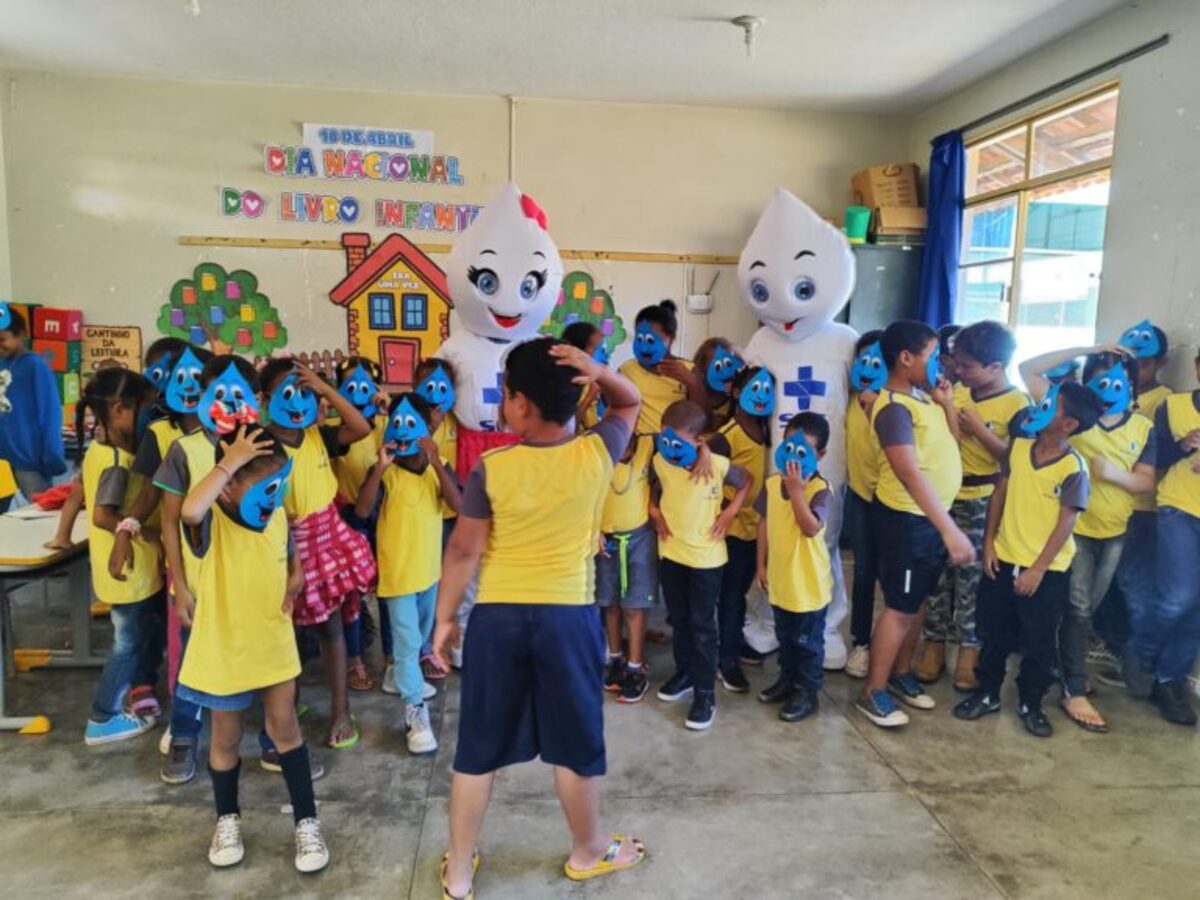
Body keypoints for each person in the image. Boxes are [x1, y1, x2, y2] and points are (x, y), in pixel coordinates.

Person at [432, 338, 645, 899]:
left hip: (497, 620)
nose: (504, 405)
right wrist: (599, 371)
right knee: (576, 745)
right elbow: (629, 404)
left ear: (522, 404)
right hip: (569, 620)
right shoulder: (596, 452)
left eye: (506, 395)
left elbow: (462, 552)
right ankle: (589, 851)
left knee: (477, 749)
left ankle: (458, 872)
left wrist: (444, 620)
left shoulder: (492, 466)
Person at [177, 425, 328, 873]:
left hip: (271, 638)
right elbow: (189, 508)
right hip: (224, 645)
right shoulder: (213, 520)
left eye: (277, 487)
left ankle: (307, 821)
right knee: (225, 738)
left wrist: (297, 570)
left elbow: (285, 539)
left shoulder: (275, 514)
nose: (273, 498)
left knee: (285, 730)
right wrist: (229, 463)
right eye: (262, 487)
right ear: (227, 490)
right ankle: (227, 818)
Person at [954, 382, 1102, 738]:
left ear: (1068, 424)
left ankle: (1030, 702)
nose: (1042, 405)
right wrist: (989, 543)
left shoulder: (1073, 468)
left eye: (1054, 405)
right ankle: (987, 691)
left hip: (1046, 572)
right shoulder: (1018, 448)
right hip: (1002, 560)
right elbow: (999, 495)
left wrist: (1037, 569)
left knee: (1038, 642)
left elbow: (1066, 524)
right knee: (995, 633)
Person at [1022, 346, 1155, 731]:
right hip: (1072, 531)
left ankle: (1063, 665)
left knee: (1085, 610)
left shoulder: (1142, 427)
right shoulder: (1074, 416)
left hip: (1113, 532)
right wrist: (1088, 349)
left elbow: (1146, 481)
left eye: (1119, 381)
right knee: (1078, 606)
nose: (1110, 388)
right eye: (1101, 380)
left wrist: (1114, 474)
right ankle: (1073, 686)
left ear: (1132, 386)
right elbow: (1028, 367)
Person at [856, 320, 972, 729]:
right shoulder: (893, 409)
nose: (940, 363)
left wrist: (945, 405)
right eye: (932, 355)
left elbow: (952, 450)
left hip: (928, 518)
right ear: (906, 359)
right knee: (900, 608)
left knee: (917, 600)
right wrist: (949, 528)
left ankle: (900, 673)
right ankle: (873, 690)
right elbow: (908, 471)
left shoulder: (923, 400)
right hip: (908, 519)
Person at [260, 358, 375, 750]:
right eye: (290, 394)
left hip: (329, 542)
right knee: (283, 633)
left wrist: (327, 390)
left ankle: (340, 710)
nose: (300, 402)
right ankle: (283, 706)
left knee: (332, 628)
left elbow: (360, 428)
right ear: (265, 400)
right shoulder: (260, 445)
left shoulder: (316, 436)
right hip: (283, 547)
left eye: (307, 393)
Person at [915, 321, 1025, 691]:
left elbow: (1014, 461)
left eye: (967, 366)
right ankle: (933, 643)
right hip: (945, 497)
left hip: (983, 500)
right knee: (938, 576)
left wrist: (981, 430)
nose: (958, 371)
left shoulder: (1017, 404)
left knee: (971, 580)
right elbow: (946, 441)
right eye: (957, 363)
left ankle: (969, 650)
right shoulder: (957, 391)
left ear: (995, 367)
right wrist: (947, 406)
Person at [355, 393, 461, 754]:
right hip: (397, 577)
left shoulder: (438, 465)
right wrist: (381, 468)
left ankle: (402, 677)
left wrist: (434, 461)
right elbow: (363, 509)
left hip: (429, 573)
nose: (402, 431)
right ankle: (415, 712)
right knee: (405, 643)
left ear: (429, 426)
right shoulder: (386, 472)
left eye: (411, 423)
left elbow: (458, 505)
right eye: (396, 424)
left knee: (418, 640)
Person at [650, 399, 751, 730]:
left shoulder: (717, 465)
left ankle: (705, 693)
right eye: (665, 439)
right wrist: (654, 511)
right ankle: (686, 674)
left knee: (703, 625)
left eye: (678, 442)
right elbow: (651, 485)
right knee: (679, 619)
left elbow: (747, 480)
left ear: (698, 440)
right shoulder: (660, 462)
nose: (669, 447)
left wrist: (730, 510)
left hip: (707, 560)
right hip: (671, 553)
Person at [77, 368, 164, 745]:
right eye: (143, 409)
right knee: (126, 645)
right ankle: (102, 716)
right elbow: (102, 514)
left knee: (135, 638)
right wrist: (146, 531)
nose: (148, 417)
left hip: (128, 572)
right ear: (119, 409)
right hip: (128, 571)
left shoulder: (108, 449)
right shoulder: (116, 461)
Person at [1125, 351, 1200, 725]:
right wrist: (1184, 445)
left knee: (1196, 609)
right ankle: (1141, 654)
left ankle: (1169, 681)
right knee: (1176, 598)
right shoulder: (1174, 405)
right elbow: (1154, 458)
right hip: (1179, 509)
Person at [755, 412, 833, 722]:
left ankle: (807, 691)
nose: (792, 459)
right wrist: (760, 563)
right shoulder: (772, 484)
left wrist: (798, 491)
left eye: (802, 453)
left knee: (807, 644)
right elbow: (764, 522)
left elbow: (810, 528)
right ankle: (787, 681)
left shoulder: (820, 490)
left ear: (821, 455)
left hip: (808, 588)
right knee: (785, 639)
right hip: (781, 580)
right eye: (787, 448)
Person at [707, 365, 769, 694]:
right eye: (754, 389)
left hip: (753, 531)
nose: (761, 396)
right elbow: (706, 482)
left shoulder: (767, 430)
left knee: (740, 593)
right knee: (729, 597)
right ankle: (726, 659)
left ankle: (733, 641)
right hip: (730, 532)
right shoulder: (725, 437)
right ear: (735, 392)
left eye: (767, 390)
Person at [331, 356, 390, 692]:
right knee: (350, 594)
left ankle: (393, 656)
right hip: (347, 519)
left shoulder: (384, 424)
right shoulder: (337, 430)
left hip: (385, 517)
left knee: (388, 587)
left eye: (365, 384)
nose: (358, 390)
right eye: (350, 384)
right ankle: (353, 659)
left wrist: (389, 407)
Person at [596, 432, 656, 704]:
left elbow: (690, 439)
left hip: (639, 540)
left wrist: (702, 453)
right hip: (606, 541)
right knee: (609, 604)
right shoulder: (596, 452)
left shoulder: (648, 444)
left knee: (634, 605)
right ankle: (615, 659)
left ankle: (635, 668)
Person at [414, 355, 461, 682]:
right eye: (427, 385)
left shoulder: (460, 422)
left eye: (443, 386)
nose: (435, 393)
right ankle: (422, 648)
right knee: (423, 585)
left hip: (455, 514)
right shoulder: (412, 422)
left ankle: (443, 644)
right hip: (423, 517)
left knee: (451, 585)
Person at [843, 330, 884, 678]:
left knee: (892, 576)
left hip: (893, 501)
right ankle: (861, 642)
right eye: (863, 359)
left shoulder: (898, 403)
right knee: (863, 571)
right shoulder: (849, 396)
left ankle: (893, 647)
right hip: (859, 496)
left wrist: (876, 408)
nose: (868, 367)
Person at [0, 304, 67, 506]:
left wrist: (52, 456)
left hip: (29, 461)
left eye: (2, 339)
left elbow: (50, 415)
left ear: (20, 334)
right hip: (4, 460)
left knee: (39, 511)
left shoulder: (35, 366)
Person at [618, 301, 704, 435]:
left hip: (674, 447)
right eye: (639, 339)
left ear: (671, 339)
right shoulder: (626, 370)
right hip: (640, 447)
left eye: (652, 340)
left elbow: (702, 419)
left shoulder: (689, 370)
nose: (644, 347)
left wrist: (692, 382)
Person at [563, 321, 606, 430]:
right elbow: (570, 427)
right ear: (579, 352)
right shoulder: (567, 381)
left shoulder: (593, 377)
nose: (602, 354)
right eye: (597, 349)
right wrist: (590, 397)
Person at [693, 337, 741, 434]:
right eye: (715, 366)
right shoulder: (694, 391)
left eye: (728, 364)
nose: (724, 372)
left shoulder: (737, 395)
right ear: (702, 368)